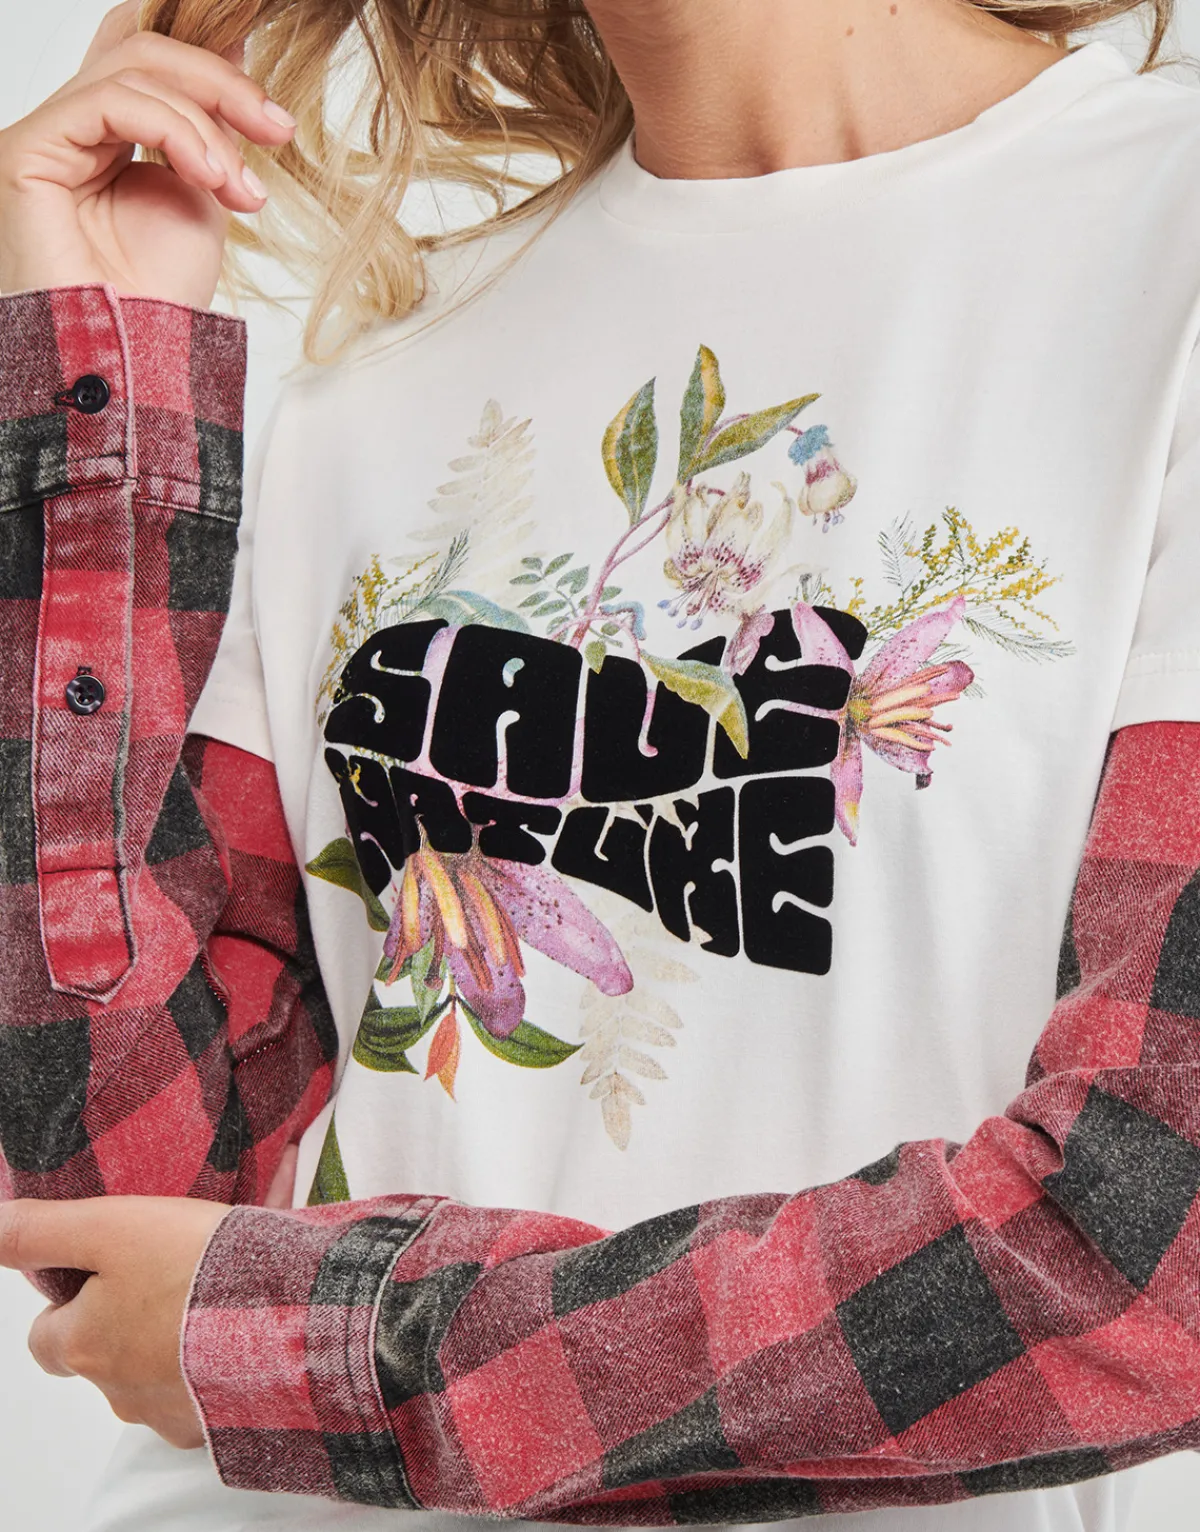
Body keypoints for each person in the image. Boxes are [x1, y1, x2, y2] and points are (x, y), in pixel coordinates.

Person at [0, 0, 1198, 1529]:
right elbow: (125, 1208)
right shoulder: (386, 358)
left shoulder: (1162, 246)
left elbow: (1144, 1252)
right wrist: (98, 415)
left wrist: (339, 1349)